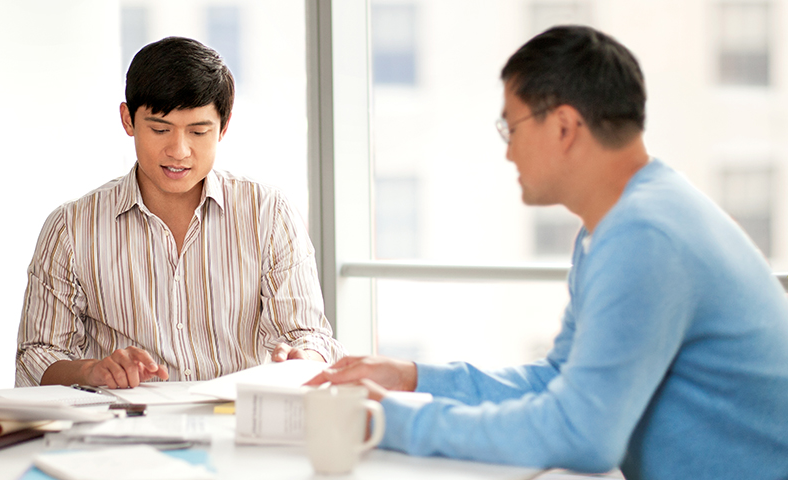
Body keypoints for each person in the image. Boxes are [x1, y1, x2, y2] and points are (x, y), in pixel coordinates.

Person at [307, 25, 788, 480]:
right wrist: (411, 378)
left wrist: (391, 423)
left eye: (510, 128)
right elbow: (560, 380)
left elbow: (582, 435)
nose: (509, 153)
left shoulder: (646, 233)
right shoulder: (617, 223)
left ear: (563, 126)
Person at [16, 36, 344, 389]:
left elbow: (307, 335)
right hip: (123, 427)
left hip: (237, 423)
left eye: (199, 131)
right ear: (128, 120)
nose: (179, 150)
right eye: (160, 129)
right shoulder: (71, 227)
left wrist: (302, 360)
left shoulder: (269, 213)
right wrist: (90, 371)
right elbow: (37, 354)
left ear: (224, 126)